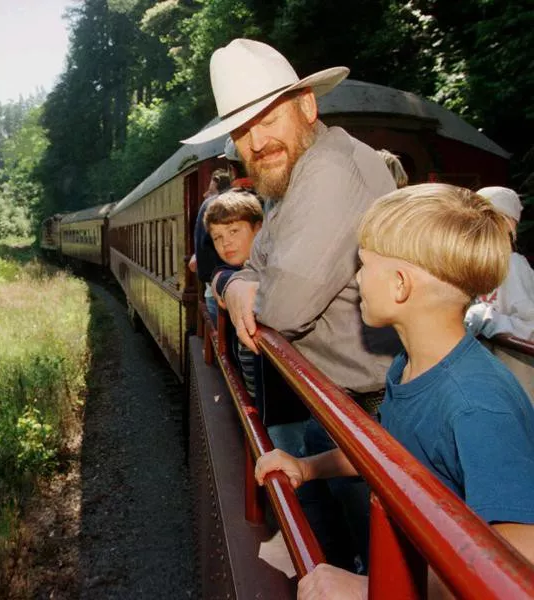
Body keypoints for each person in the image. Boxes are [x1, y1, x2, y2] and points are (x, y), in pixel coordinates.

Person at [255, 183, 534, 598]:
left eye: (364, 265)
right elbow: (389, 452)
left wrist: (374, 589)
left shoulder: (477, 406)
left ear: (400, 285)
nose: (357, 277)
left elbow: (518, 564)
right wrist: (309, 467)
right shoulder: (409, 365)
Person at [183, 38, 400, 568]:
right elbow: (254, 270)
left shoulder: (327, 173)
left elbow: (284, 307)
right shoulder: (292, 176)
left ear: (307, 105)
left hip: (367, 411)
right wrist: (236, 284)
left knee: (378, 564)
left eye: (268, 118)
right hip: (338, 405)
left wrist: (241, 285)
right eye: (242, 130)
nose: (256, 142)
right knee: (346, 550)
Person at [203, 188, 264, 404]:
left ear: (259, 229)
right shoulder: (229, 272)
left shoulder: (269, 272)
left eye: (234, 231)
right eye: (217, 237)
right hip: (256, 398)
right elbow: (221, 275)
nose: (225, 243)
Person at [465, 186, 534, 341]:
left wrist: (486, 318)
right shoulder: (463, 260)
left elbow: (529, 327)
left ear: (509, 224)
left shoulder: (513, 265)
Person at [188, 167, 232, 323]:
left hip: (216, 292)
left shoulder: (213, 207)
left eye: (211, 193)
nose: (205, 196)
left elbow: (195, 265)